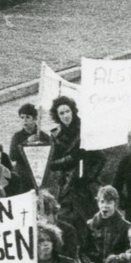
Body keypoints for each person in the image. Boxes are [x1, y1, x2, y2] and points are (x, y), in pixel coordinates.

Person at [47, 97, 103, 233]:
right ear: (57, 116)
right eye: (61, 113)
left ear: (73, 111)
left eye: (68, 111)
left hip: (86, 185)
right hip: (67, 186)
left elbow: (101, 158)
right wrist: (70, 159)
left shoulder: (85, 129)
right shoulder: (55, 136)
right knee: (68, 222)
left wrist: (89, 177)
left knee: (92, 222)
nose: (66, 116)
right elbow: (51, 164)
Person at [9, 103, 51, 191]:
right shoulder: (17, 137)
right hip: (23, 176)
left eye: (28, 117)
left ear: (35, 119)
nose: (24, 120)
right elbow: (12, 156)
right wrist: (26, 143)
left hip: (39, 174)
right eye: (22, 117)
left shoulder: (43, 136)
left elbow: (50, 155)